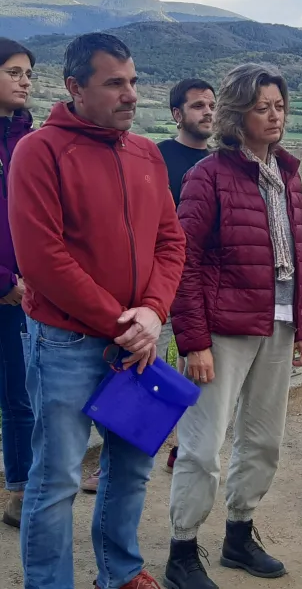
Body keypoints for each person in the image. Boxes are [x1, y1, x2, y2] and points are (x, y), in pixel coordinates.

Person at [10, 32, 186, 589]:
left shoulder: (146, 154)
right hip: (65, 344)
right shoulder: (39, 152)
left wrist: (154, 313)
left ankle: (120, 571)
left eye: (132, 81)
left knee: (131, 469)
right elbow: (42, 260)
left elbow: (170, 241)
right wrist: (125, 324)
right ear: (74, 88)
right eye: (114, 83)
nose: (130, 94)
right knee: (56, 479)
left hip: (138, 341)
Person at [164, 63, 302, 589]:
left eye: (279, 106)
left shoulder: (288, 174)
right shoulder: (210, 174)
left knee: (263, 439)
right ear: (237, 113)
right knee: (202, 446)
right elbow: (185, 260)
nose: (274, 116)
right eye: (261, 107)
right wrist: (194, 341)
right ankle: (182, 549)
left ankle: (238, 534)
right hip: (223, 329)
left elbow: (296, 257)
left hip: (276, 323)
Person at [81, 77, 215, 494]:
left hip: (195, 289)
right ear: (177, 114)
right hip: (153, 291)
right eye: (197, 106)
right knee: (132, 374)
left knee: (190, 374)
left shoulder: (216, 165)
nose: (208, 112)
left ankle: (178, 447)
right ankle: (112, 460)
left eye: (212, 105)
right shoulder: (155, 157)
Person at [0, 38, 36, 530]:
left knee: (20, 395)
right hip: (7, 286)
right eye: (13, 71)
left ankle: (22, 491)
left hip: (21, 294)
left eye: (28, 72)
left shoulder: (28, 141)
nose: (25, 79)